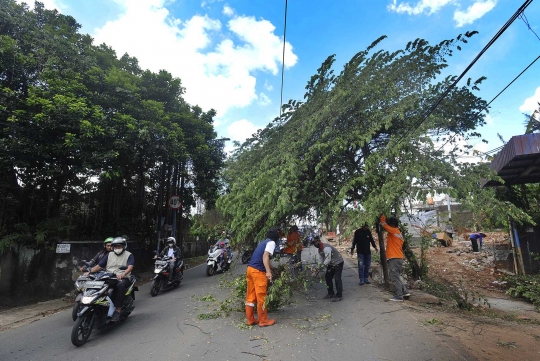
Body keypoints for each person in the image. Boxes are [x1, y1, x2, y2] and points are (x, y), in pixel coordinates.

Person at [89, 236, 134, 321]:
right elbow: (99, 266)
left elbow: (130, 267)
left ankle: (118, 309)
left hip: (123, 277)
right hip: (109, 275)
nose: (117, 248)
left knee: (120, 285)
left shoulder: (129, 255)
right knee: (98, 284)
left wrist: (123, 273)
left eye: (119, 246)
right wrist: (90, 272)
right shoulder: (109, 255)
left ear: (123, 247)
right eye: (116, 246)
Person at [245, 227, 278, 327]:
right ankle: (263, 321)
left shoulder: (264, 242)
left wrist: (272, 268)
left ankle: (250, 320)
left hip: (250, 269)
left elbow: (262, 257)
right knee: (262, 297)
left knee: (250, 296)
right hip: (258, 272)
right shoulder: (272, 243)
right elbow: (265, 257)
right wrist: (268, 272)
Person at [380, 214, 410, 302]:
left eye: (390, 224)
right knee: (396, 276)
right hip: (398, 257)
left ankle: (399, 296)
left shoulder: (394, 231)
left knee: (394, 277)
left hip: (394, 258)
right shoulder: (397, 232)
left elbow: (383, 224)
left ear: (392, 224)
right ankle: (405, 292)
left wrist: (383, 216)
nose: (388, 225)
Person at [311, 235, 345, 302]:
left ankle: (339, 295)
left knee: (337, 279)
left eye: (315, 242)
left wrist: (322, 267)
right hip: (331, 264)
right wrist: (318, 268)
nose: (314, 244)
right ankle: (330, 293)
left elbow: (328, 259)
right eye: (313, 243)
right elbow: (321, 259)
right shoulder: (320, 250)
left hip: (338, 262)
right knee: (328, 277)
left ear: (319, 241)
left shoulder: (326, 248)